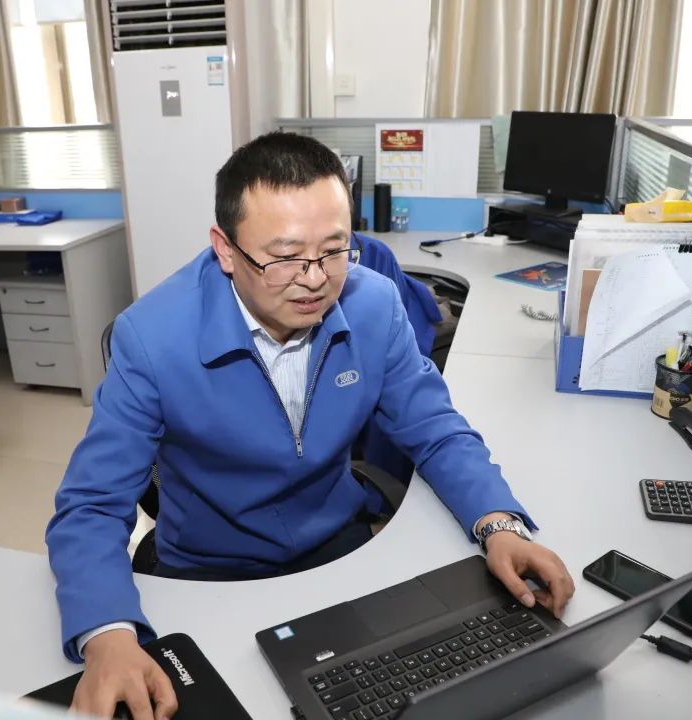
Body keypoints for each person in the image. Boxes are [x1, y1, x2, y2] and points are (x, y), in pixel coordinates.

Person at [46, 132, 575, 720]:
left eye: (334, 249)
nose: (316, 278)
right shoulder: (151, 337)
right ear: (225, 250)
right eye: (285, 256)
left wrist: (499, 525)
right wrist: (107, 635)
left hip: (338, 549)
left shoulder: (374, 304)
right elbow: (91, 504)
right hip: (212, 568)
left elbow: (436, 428)